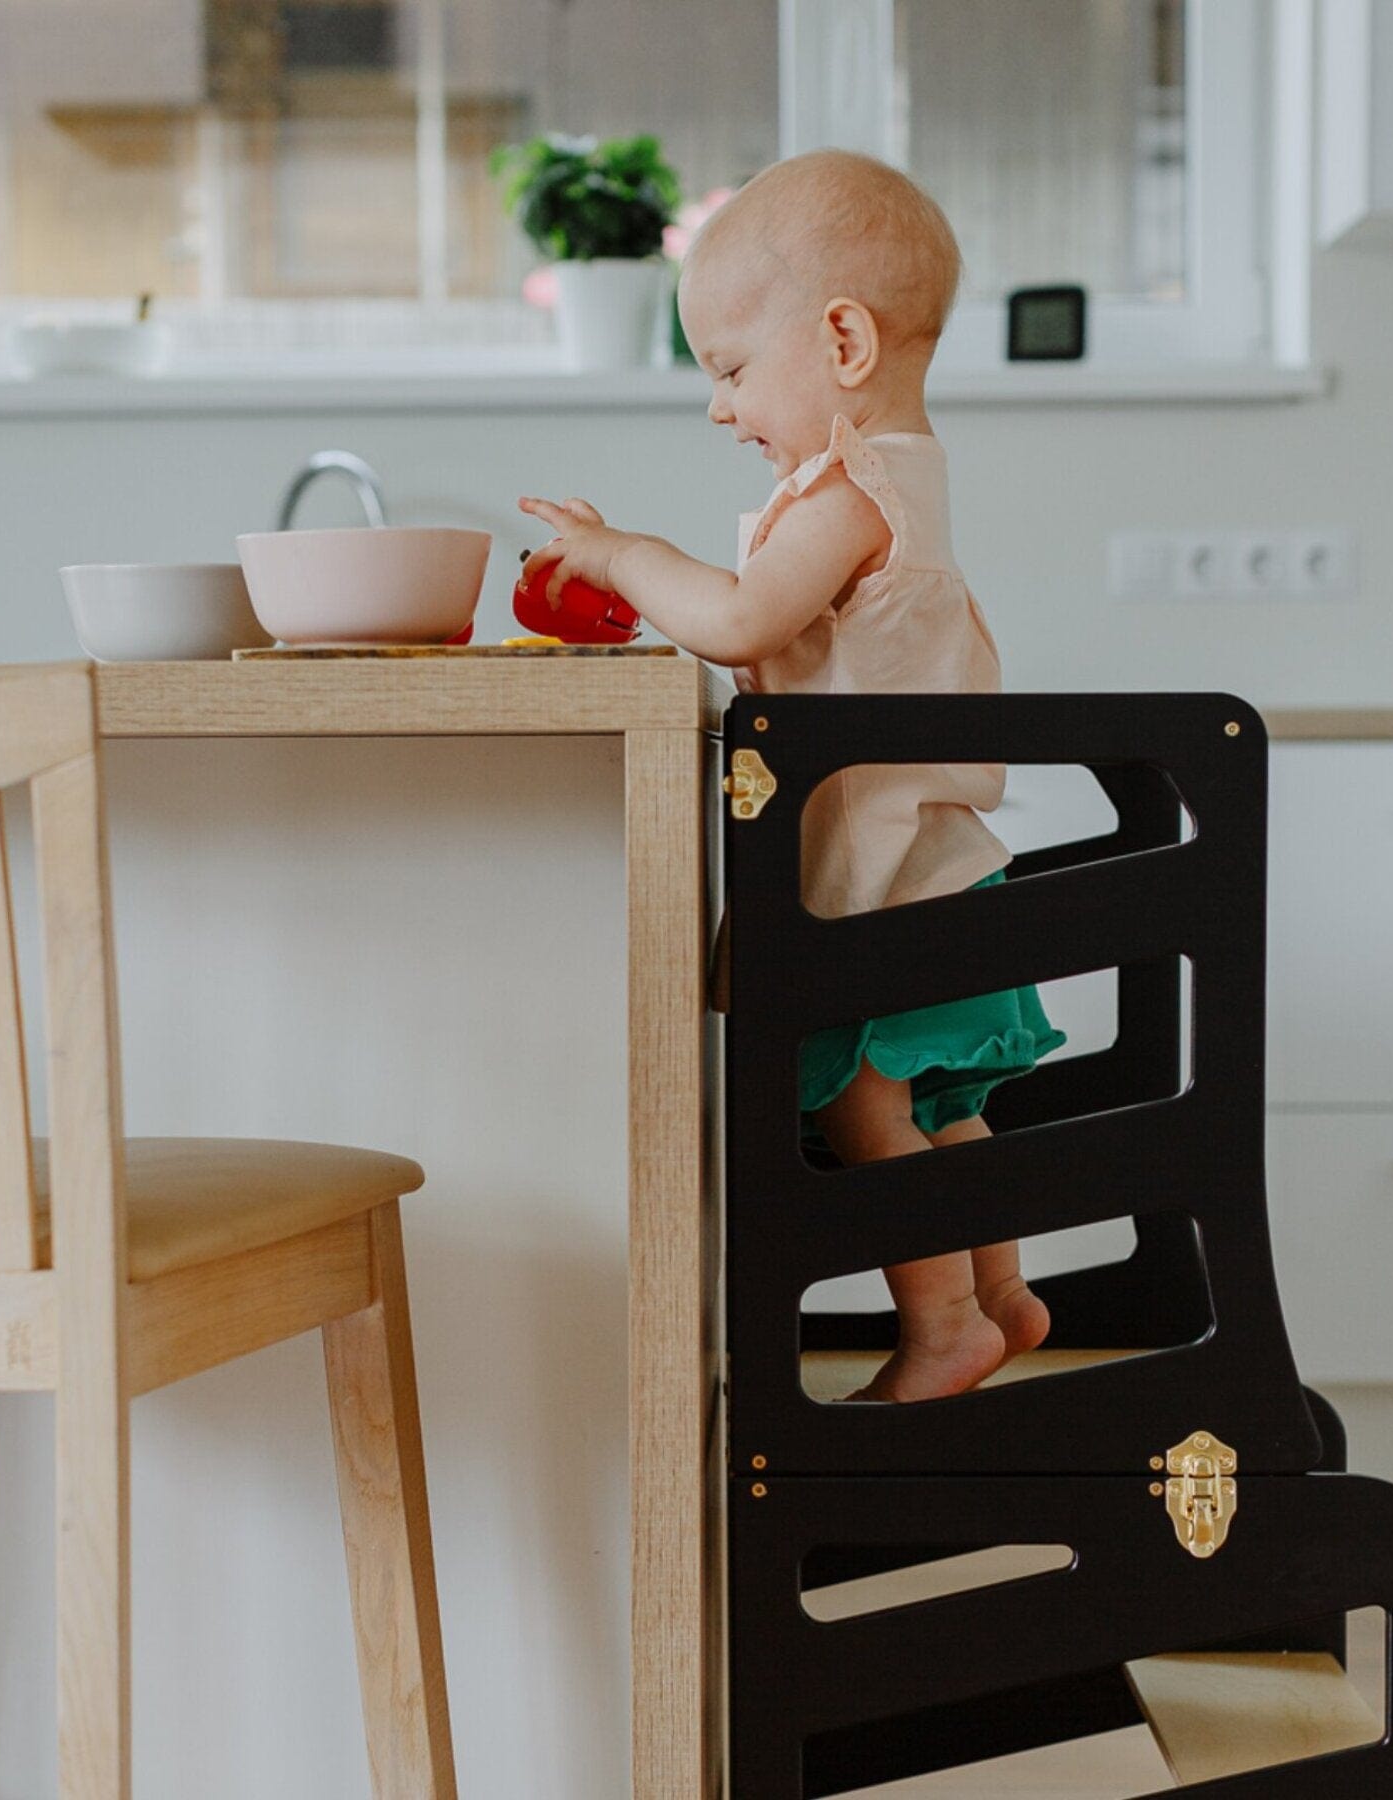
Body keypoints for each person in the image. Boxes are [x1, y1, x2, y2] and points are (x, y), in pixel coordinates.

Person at [518, 149, 1066, 1403]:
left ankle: (943, 1329)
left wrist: (622, 554)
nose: (720, 409)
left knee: (870, 1116)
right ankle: (999, 1294)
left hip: (888, 890)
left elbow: (741, 621)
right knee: (937, 1104)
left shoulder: (859, 489)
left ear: (843, 341)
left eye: (729, 370)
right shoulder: (895, 481)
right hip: (933, 875)